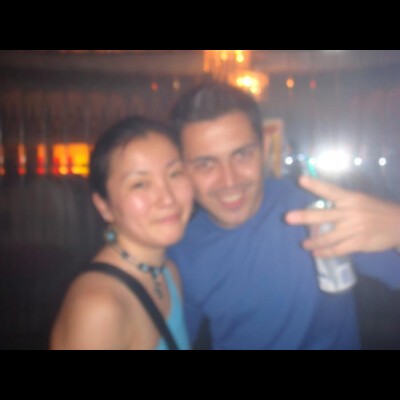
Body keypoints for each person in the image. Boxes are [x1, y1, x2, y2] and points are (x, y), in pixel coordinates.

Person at [167, 82, 400, 350]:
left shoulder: (317, 212)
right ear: (182, 168)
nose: (229, 181)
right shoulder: (181, 251)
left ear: (265, 148)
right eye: (205, 164)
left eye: (242, 155)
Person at [50, 116, 193, 350]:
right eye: (140, 184)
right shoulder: (98, 307)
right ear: (104, 206)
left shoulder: (168, 272)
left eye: (175, 173)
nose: (168, 198)